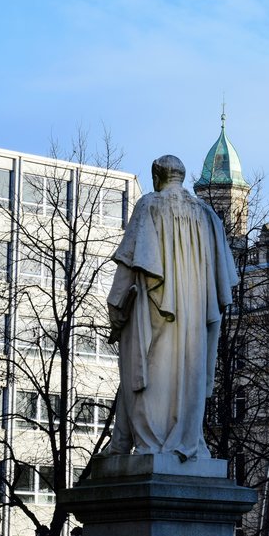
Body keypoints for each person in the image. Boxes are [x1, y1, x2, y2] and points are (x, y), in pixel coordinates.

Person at [105, 155, 239, 461]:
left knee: (146, 372)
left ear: (157, 177)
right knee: (187, 373)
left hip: (154, 310)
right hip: (195, 315)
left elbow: (128, 264)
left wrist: (116, 309)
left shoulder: (150, 205)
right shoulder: (206, 214)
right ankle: (173, 439)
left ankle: (148, 443)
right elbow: (223, 279)